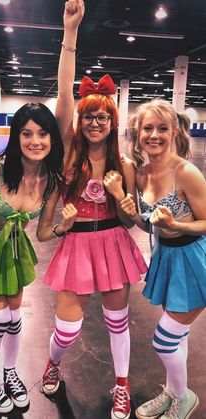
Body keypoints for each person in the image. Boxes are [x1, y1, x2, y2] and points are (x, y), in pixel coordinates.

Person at [36, 1, 147, 419]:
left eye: (103, 116)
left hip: (114, 243)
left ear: (113, 121)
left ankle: (122, 386)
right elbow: (65, 92)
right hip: (77, 245)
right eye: (89, 117)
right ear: (80, 122)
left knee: (119, 322)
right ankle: (52, 362)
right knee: (67, 328)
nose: (95, 122)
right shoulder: (65, 155)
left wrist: (123, 200)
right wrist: (70, 32)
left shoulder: (127, 165)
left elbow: (132, 221)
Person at [115, 99, 206, 419]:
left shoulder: (186, 172)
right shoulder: (141, 175)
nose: (154, 134)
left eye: (162, 128)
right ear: (137, 134)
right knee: (178, 336)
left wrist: (176, 224)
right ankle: (173, 392)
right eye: (148, 128)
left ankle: (184, 397)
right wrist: (131, 212)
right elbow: (148, 224)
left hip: (195, 260)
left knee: (165, 341)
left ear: (175, 131)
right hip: (166, 259)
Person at [0, 102, 64, 414]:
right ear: (16, 136)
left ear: (51, 139)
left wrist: (66, 227)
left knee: (14, 319)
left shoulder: (51, 180)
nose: (35, 141)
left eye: (42, 133)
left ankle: (10, 373)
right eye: (26, 133)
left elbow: (43, 233)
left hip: (14, 248)